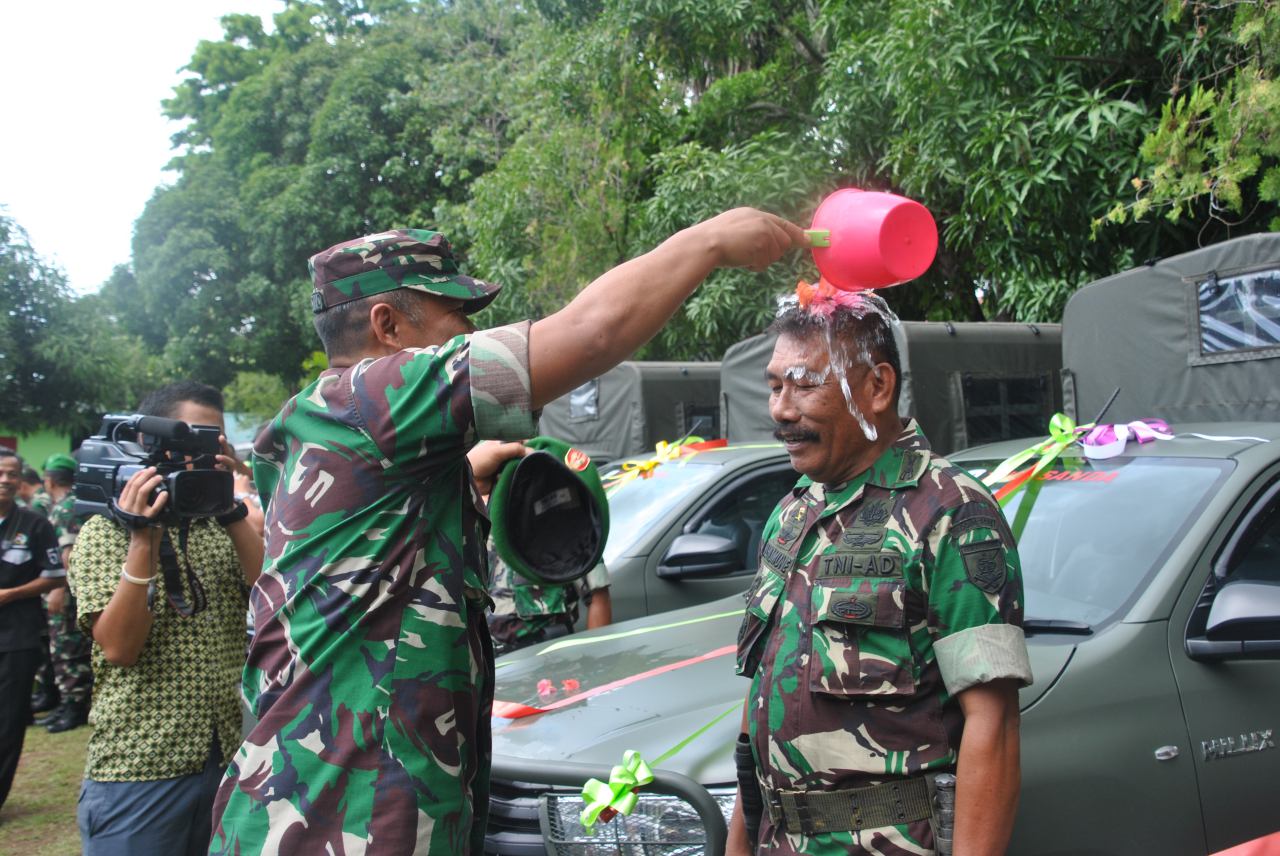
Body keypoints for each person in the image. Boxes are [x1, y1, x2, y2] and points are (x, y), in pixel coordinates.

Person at [211, 210, 805, 854]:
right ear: (387, 326)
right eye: (454, 318)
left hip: (315, 803)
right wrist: (710, 240)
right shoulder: (375, 394)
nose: (471, 332)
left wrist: (465, 468)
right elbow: (590, 334)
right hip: (347, 820)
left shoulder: (318, 424)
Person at [727, 292, 1033, 856]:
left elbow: (996, 727)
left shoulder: (950, 512)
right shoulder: (793, 512)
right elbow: (760, 705)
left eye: (803, 384)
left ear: (877, 387)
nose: (781, 409)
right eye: (774, 386)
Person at [68, 381, 264, 856]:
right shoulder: (103, 532)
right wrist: (143, 537)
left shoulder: (222, 528)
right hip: (142, 765)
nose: (198, 456)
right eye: (187, 441)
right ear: (148, 443)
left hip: (226, 757)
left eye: (211, 442)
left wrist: (234, 507)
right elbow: (119, 648)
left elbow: (272, 598)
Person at [0, 450, 67, 811]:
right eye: (0, 473)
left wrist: (12, 593)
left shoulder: (34, 523)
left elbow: (54, 575)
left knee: (8, 722)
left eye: (12, 474)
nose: (6, 480)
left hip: (17, 637)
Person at [37, 453, 94, 733]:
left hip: (69, 591)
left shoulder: (64, 508)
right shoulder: (79, 502)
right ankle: (68, 703)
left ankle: (74, 705)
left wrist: (58, 590)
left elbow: (67, 556)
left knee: (67, 649)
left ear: (50, 480)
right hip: (81, 589)